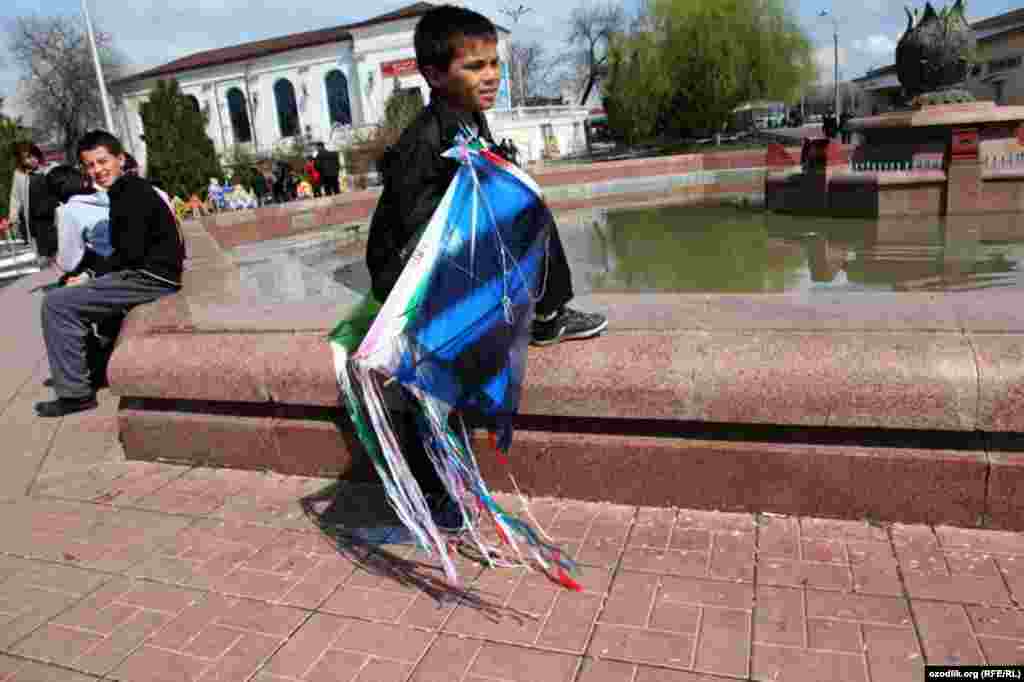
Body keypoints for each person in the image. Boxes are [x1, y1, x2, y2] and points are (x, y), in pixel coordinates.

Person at [366, 4, 606, 349]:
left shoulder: (471, 118)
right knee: (522, 209)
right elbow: (410, 229)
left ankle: (545, 313)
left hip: (445, 255)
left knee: (524, 199)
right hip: (406, 275)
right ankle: (538, 319)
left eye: (494, 63)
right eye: (475, 66)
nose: (491, 75)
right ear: (435, 76)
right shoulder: (424, 139)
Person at [36, 130, 185, 417]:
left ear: (120, 159)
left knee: (56, 304)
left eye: (103, 161)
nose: (97, 170)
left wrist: (91, 275)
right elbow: (125, 251)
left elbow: (129, 253)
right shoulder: (126, 190)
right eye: (90, 165)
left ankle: (76, 394)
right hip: (149, 273)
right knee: (67, 294)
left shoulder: (130, 192)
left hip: (150, 278)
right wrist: (91, 274)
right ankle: (92, 370)